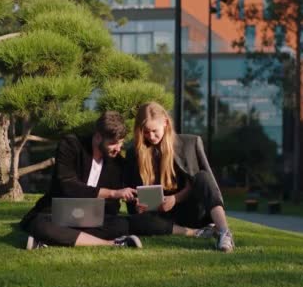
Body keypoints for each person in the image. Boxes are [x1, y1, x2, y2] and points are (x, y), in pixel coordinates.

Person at [20, 111, 142, 249]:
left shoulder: (117, 163)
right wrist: (112, 193)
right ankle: (110, 243)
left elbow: (111, 208)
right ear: (97, 137)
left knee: (121, 224)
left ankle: (50, 239)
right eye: (113, 143)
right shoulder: (71, 145)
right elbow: (68, 186)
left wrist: (128, 201)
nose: (118, 149)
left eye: (120, 143)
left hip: (90, 219)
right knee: (40, 223)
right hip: (56, 214)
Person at [124, 102, 235, 252]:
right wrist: (138, 205)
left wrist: (175, 199)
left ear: (165, 123)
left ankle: (224, 233)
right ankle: (196, 232)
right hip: (159, 216)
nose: (150, 136)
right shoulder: (134, 153)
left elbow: (202, 184)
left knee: (202, 176)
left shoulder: (190, 143)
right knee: (137, 221)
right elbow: (133, 196)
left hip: (191, 210)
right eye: (145, 132)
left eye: (154, 131)